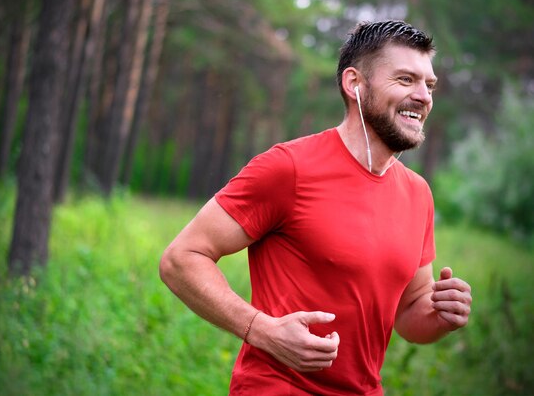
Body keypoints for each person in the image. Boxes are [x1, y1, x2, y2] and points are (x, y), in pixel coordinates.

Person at [159, 20, 472, 395]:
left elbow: (409, 315)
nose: (423, 96)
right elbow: (181, 258)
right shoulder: (288, 168)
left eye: (429, 84)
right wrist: (262, 330)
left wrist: (441, 314)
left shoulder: (418, 193)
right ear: (354, 84)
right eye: (406, 80)